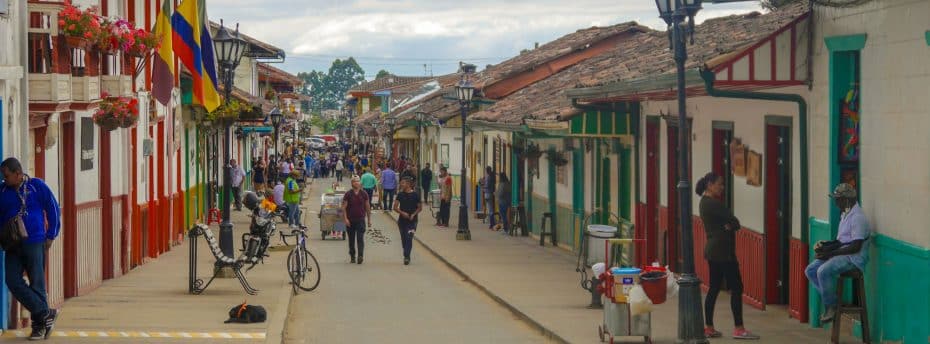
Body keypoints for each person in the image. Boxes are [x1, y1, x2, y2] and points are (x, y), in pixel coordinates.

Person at [0, 158, 60, 340]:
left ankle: (39, 327)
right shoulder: (2, 191)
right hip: (12, 244)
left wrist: (51, 234)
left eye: (7, 175)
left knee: (37, 283)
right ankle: (46, 312)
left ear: (18, 173)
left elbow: (53, 208)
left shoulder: (36, 187)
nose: (5, 179)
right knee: (12, 280)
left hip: (35, 241)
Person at [696, 172, 759, 340]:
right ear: (710, 184)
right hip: (723, 252)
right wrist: (729, 225)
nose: (722, 187)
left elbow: (732, 223)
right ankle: (739, 328)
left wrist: (729, 225)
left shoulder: (704, 203)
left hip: (713, 250)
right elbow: (735, 221)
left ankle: (708, 327)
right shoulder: (713, 204)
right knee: (737, 288)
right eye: (719, 184)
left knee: (714, 288)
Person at [806, 183, 870, 324]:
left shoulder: (857, 217)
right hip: (842, 253)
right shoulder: (845, 214)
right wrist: (826, 248)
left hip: (853, 258)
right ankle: (832, 300)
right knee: (810, 270)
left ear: (847, 200)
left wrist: (831, 254)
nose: (836, 203)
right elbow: (841, 241)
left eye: (838, 199)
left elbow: (855, 246)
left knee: (823, 271)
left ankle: (831, 306)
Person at [342, 176, 371, 264]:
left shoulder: (364, 194)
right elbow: (343, 207)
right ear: (352, 183)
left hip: (360, 220)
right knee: (351, 239)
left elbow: (367, 207)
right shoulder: (348, 194)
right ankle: (352, 256)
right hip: (350, 220)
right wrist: (345, 219)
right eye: (354, 181)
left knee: (360, 238)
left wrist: (369, 220)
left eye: (358, 181)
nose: (356, 183)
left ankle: (360, 256)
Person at [394, 177, 421, 265]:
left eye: (403, 183)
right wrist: (402, 213)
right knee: (404, 239)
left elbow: (420, 207)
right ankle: (406, 252)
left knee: (409, 237)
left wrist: (413, 214)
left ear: (408, 184)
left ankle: (407, 256)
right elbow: (395, 207)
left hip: (413, 221)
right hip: (402, 221)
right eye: (401, 183)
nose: (401, 184)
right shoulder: (400, 195)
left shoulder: (415, 195)